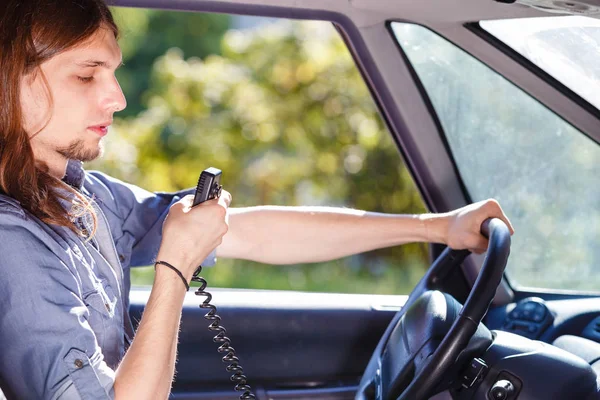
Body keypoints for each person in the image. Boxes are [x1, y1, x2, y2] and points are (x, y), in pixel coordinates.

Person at [0, 0, 515, 399]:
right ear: (9, 83)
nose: (118, 97)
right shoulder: (12, 241)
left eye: (113, 72)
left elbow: (250, 229)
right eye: (87, 75)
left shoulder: (78, 195)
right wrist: (175, 268)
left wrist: (436, 227)